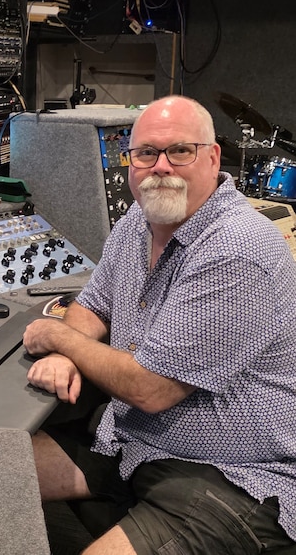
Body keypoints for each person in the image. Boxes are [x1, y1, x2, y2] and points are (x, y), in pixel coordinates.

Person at [22, 95, 296, 554]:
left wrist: (56, 336)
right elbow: (94, 304)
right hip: (130, 440)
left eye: (180, 151)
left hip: (234, 473)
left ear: (212, 157)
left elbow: (151, 389)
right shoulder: (139, 218)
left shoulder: (237, 249)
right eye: (146, 153)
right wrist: (64, 352)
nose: (160, 166)